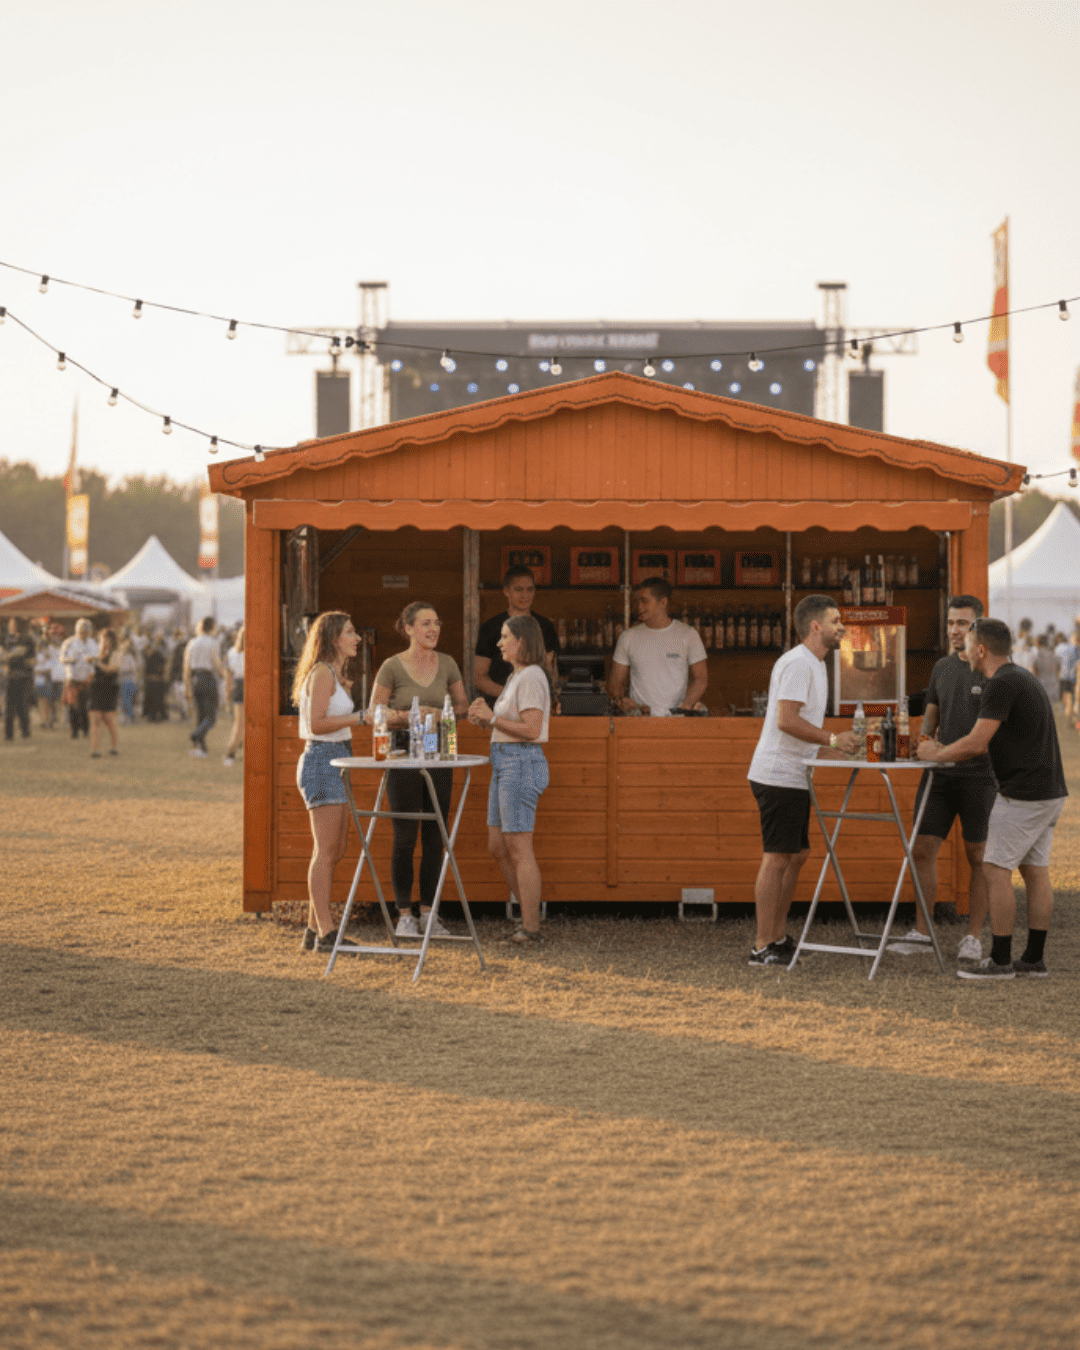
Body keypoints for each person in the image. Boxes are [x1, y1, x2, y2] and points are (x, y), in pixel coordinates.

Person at [918, 617, 1068, 979]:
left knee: (994, 870)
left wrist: (934, 754)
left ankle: (1000, 962)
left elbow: (976, 742)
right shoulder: (1022, 676)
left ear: (980, 649)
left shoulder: (1000, 684)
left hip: (1022, 796)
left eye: (967, 644)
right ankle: (1032, 960)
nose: (963, 650)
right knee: (1035, 872)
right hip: (1049, 794)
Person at [746, 595, 858, 966]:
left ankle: (777, 936)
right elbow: (786, 721)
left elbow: (802, 734)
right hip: (778, 775)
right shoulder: (798, 663)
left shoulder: (814, 664)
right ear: (815, 627)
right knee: (778, 858)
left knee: (798, 855)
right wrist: (832, 739)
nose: (843, 627)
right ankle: (762, 945)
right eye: (836, 620)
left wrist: (846, 751)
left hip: (793, 773)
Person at [887, 596, 996, 963]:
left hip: (981, 776)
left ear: (979, 626)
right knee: (921, 850)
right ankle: (921, 931)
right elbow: (930, 719)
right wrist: (923, 740)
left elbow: (990, 736)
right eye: (950, 623)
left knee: (978, 856)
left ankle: (973, 937)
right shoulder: (942, 668)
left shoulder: (993, 670)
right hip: (939, 777)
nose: (954, 630)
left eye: (962, 623)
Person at [369, 601, 469, 938]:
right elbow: (375, 713)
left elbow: (463, 705)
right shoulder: (391, 667)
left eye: (437, 623)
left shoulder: (448, 663)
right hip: (401, 754)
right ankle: (404, 915)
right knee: (405, 835)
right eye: (426, 623)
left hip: (437, 752)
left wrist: (440, 714)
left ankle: (429, 913)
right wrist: (411, 715)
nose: (433, 629)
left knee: (435, 834)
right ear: (409, 628)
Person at [468, 613, 552, 944]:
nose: (499, 643)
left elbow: (531, 730)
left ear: (522, 641)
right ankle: (526, 915)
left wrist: (491, 719)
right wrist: (486, 720)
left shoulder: (531, 676)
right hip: (506, 762)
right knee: (498, 846)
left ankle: (530, 927)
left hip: (520, 762)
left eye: (505, 637)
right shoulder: (518, 676)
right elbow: (509, 724)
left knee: (518, 847)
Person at [293, 611, 365, 951]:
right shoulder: (322, 673)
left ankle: (312, 930)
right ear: (334, 638)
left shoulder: (334, 673)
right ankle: (326, 932)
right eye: (350, 632)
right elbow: (317, 724)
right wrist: (360, 717)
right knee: (325, 851)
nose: (357, 638)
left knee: (337, 849)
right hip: (322, 758)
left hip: (338, 758)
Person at [608, 578, 707, 716]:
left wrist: (686, 706)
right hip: (639, 720)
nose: (639, 606)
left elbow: (700, 679)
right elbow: (615, 684)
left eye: (644, 601)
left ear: (663, 603)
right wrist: (622, 701)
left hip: (677, 720)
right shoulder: (628, 637)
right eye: (638, 601)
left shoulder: (688, 634)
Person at [473, 565, 558, 701]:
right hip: (498, 707)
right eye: (518, 589)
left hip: (535, 704)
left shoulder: (545, 626)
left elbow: (548, 672)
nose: (525, 595)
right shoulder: (491, 627)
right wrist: (510, 695)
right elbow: (478, 678)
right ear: (506, 591)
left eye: (529, 589)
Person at [183, 617, 226, 758]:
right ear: (212, 627)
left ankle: (201, 748)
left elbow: (186, 668)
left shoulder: (192, 643)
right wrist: (226, 676)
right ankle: (196, 735)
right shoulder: (213, 643)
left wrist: (187, 687)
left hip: (195, 678)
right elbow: (217, 663)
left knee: (200, 714)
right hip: (208, 678)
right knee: (212, 715)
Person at [60, 618, 98, 739]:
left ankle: (86, 730)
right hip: (73, 679)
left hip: (88, 680)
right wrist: (70, 660)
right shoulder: (69, 642)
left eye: (86, 631)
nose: (84, 633)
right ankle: (74, 731)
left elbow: (97, 660)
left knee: (86, 707)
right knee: (73, 707)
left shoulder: (93, 643)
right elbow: (62, 658)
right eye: (81, 631)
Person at [88, 628, 121, 758]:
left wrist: (96, 662)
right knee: (95, 718)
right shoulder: (96, 654)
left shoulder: (116, 654)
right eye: (102, 639)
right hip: (96, 688)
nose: (104, 642)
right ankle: (95, 749)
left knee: (108, 719)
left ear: (112, 641)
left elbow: (110, 669)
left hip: (109, 688)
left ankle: (114, 746)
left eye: (107, 639)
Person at [3, 617, 36, 741]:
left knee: (22, 705)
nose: (10, 626)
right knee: (9, 707)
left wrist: (9, 656)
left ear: (17, 625)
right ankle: (9, 734)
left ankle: (25, 732)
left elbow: (29, 657)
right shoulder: (8, 639)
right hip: (11, 676)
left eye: (12, 623)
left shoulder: (27, 639)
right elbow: (7, 658)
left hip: (23, 677)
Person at [223, 625, 245, 766]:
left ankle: (234, 753)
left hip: (237, 687)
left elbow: (228, 676)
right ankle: (230, 754)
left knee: (239, 724)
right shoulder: (252, 652)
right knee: (242, 726)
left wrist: (227, 694)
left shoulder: (231, 652)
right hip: (247, 686)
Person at [142, 636, 168, 722]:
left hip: (157, 681)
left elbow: (163, 666)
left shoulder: (157, 655)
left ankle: (157, 716)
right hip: (152, 681)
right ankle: (153, 716)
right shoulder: (148, 657)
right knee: (152, 700)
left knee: (157, 700)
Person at [1032, 633, 1060, 706]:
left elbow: (1035, 670)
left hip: (1041, 683)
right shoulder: (1053, 653)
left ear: (1038, 642)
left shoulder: (1038, 654)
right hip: (1053, 684)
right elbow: (1057, 668)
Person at [117, 636, 139, 724]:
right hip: (120, 682)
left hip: (129, 682)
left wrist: (123, 670)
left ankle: (130, 717)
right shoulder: (117, 657)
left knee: (128, 700)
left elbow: (133, 668)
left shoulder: (130, 657)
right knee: (122, 701)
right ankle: (126, 717)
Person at [1059, 627, 1079, 719]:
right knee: (1072, 697)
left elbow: (1062, 662)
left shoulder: (1067, 649)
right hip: (1074, 677)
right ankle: (1071, 715)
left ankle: (1068, 714)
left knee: (1067, 696)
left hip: (1065, 676)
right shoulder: (1077, 650)